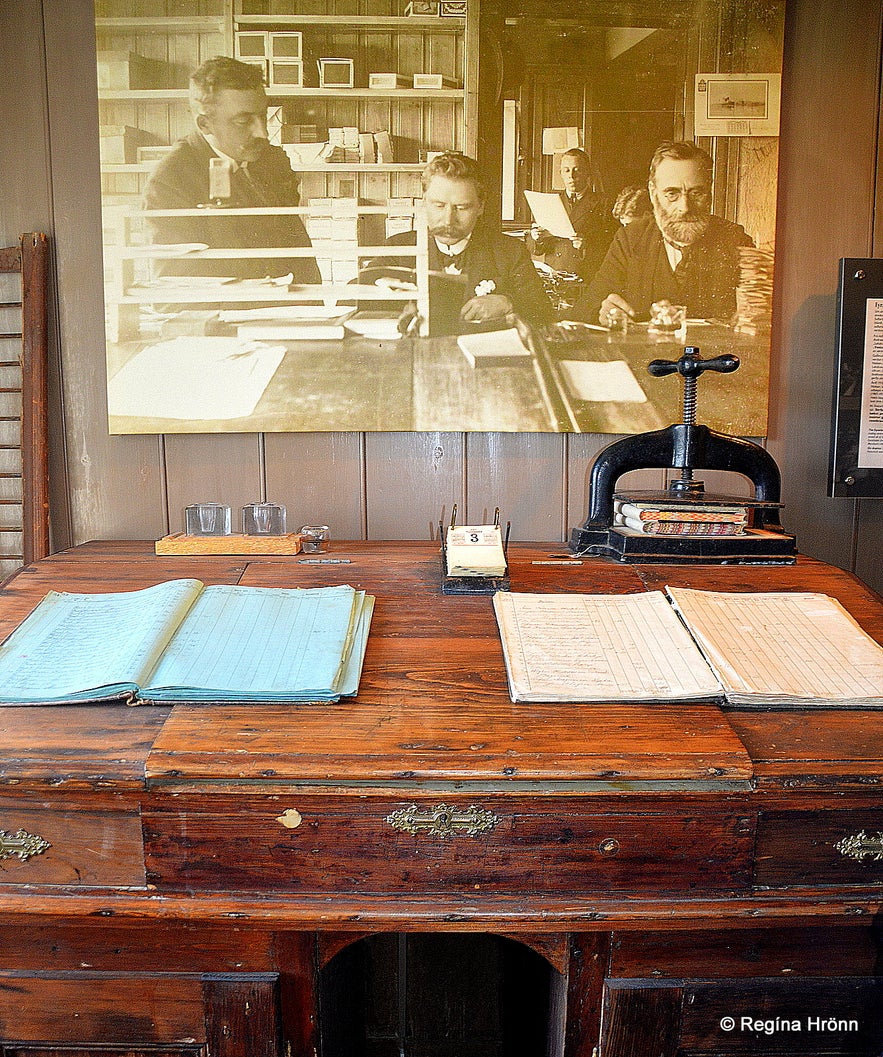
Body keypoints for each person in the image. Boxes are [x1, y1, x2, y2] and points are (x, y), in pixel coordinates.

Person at [143, 56, 320, 283]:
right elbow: (174, 287)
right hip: (233, 315)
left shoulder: (271, 159)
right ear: (204, 124)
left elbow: (291, 241)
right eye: (243, 121)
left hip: (298, 308)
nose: (263, 133)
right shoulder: (170, 179)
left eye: (263, 116)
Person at [373, 151, 555, 333]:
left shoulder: (510, 251)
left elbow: (544, 312)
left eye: (461, 207)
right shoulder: (397, 248)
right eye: (438, 205)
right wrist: (391, 303)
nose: (448, 220)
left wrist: (508, 303)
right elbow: (354, 297)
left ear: (480, 207)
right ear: (423, 203)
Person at [575, 141, 754, 324]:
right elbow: (584, 310)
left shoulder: (736, 241)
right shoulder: (630, 239)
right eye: (671, 194)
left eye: (696, 193)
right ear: (653, 194)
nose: (684, 207)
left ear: (709, 192)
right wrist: (603, 312)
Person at [526, 148, 618, 280]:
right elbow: (535, 248)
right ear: (561, 173)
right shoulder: (550, 202)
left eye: (577, 170)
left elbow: (612, 244)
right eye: (566, 170)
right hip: (554, 274)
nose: (572, 176)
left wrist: (587, 246)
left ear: (588, 173)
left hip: (586, 275)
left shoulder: (604, 203)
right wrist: (537, 239)